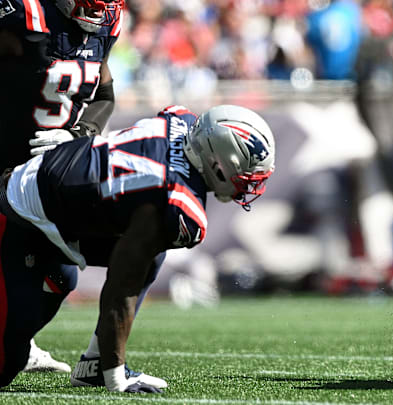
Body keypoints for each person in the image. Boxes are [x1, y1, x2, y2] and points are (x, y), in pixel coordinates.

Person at [0, 104, 276, 392]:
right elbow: (122, 284)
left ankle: (94, 363)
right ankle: (102, 366)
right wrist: (116, 375)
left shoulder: (181, 121)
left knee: (150, 251)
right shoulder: (176, 200)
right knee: (7, 362)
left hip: (50, 196)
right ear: (221, 162)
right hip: (19, 216)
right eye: (246, 175)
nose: (248, 185)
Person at [0, 0, 124, 374]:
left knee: (61, 274)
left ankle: (20, 342)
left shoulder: (107, 23)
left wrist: (79, 134)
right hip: (4, 167)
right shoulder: (22, 16)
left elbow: (103, 95)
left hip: (43, 175)